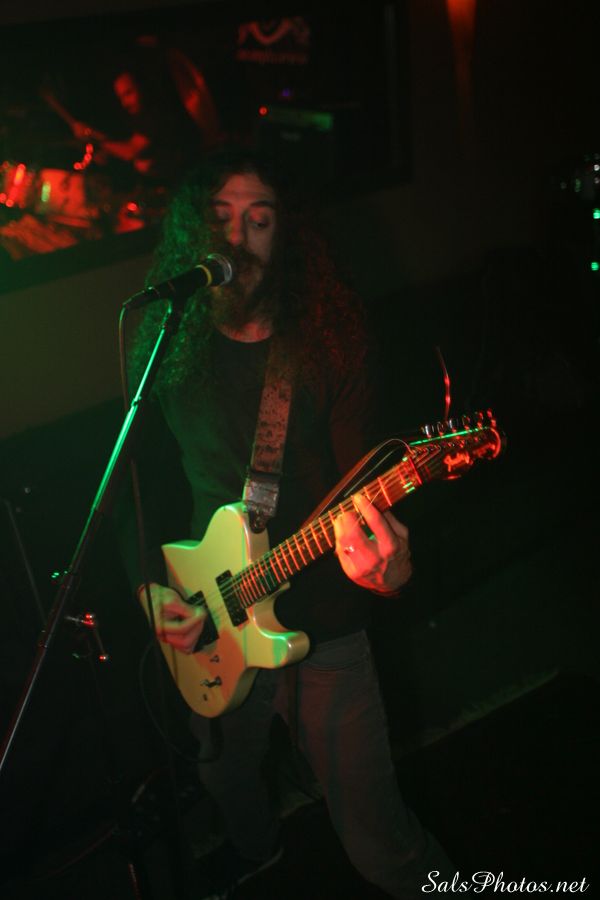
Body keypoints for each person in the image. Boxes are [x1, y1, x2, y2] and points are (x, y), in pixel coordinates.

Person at [122, 148, 454, 898]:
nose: (238, 238)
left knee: (379, 843)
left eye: (259, 220)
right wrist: (150, 591)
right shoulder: (169, 347)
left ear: (286, 235)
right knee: (222, 777)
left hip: (323, 622)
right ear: (193, 235)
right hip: (207, 613)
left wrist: (390, 574)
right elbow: (134, 491)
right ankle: (260, 849)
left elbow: (368, 490)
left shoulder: (330, 342)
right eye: (220, 219)